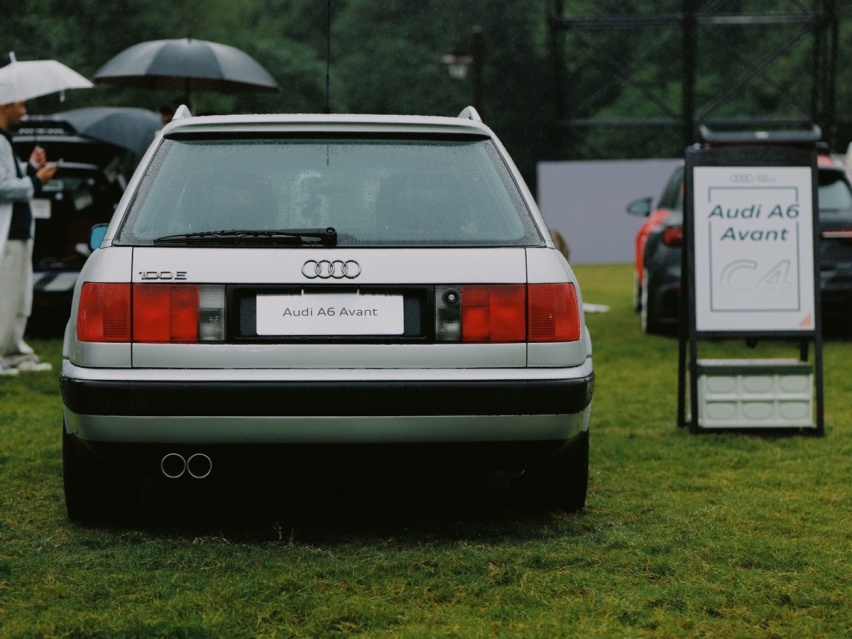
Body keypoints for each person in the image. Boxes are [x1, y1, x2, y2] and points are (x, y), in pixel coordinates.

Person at [0, 100, 57, 375]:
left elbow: (10, 176)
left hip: (19, 231)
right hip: (6, 234)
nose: (24, 112)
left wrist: (30, 166)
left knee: (18, 297)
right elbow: (2, 187)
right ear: (5, 105)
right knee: (4, 297)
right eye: (20, 106)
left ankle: (13, 352)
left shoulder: (5, 140)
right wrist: (37, 181)